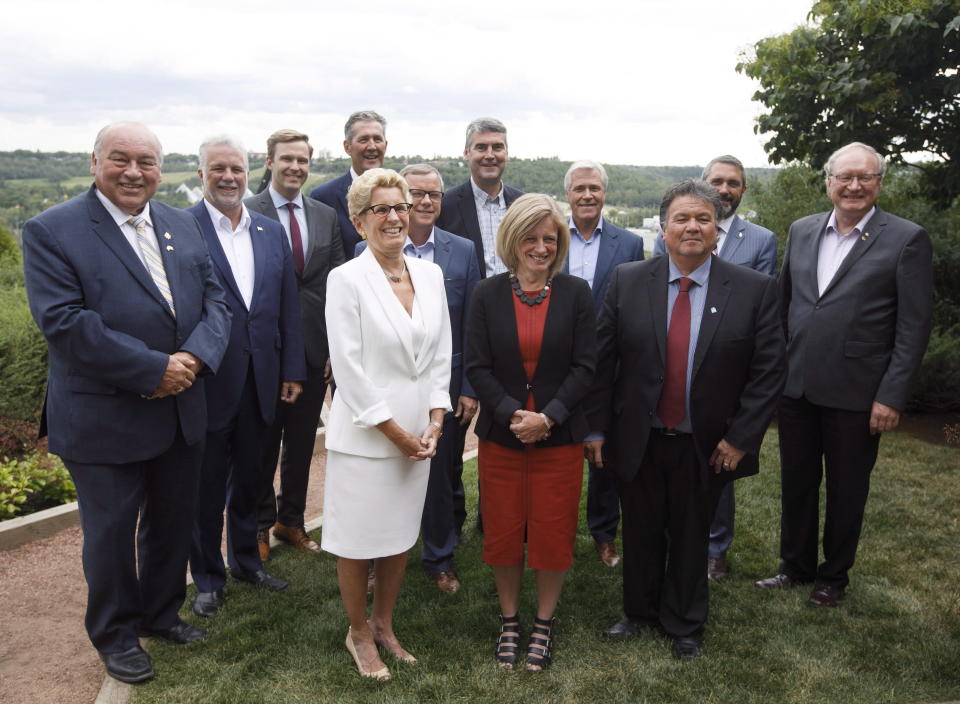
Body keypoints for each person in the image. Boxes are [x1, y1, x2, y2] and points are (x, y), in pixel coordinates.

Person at [21, 122, 230, 684]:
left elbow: (215, 300)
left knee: (170, 522)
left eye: (147, 161)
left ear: (162, 170)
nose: (134, 171)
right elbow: (64, 323)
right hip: (104, 417)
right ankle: (115, 636)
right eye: (120, 159)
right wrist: (152, 369)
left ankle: (161, 614)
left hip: (181, 406)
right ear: (95, 163)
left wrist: (194, 360)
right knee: (111, 535)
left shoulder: (180, 224)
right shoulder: (52, 230)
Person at [587, 180, 785, 660]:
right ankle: (639, 611)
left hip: (709, 440)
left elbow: (768, 372)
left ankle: (685, 622)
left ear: (717, 230)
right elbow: (600, 362)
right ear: (663, 228)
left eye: (703, 219)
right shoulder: (628, 280)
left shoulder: (754, 289)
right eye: (682, 218)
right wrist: (594, 428)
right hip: (639, 434)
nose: (692, 227)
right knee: (641, 528)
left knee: (693, 533)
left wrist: (740, 438)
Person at [756, 142, 933, 606]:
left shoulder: (906, 238)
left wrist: (891, 395)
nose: (854, 186)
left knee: (846, 488)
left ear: (879, 183)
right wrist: (774, 373)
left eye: (865, 177)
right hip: (796, 386)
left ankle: (833, 577)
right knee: (796, 481)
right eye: (845, 177)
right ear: (829, 181)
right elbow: (784, 304)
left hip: (859, 391)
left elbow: (913, 327)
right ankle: (794, 566)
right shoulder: (802, 230)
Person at [322, 168, 452, 681]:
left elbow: (440, 352)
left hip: (418, 436)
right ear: (359, 222)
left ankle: (384, 624)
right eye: (382, 209)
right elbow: (348, 369)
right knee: (358, 542)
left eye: (401, 206)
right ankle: (357, 633)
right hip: (369, 438)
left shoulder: (431, 274)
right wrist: (394, 432)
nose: (395, 216)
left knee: (398, 538)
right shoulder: (345, 279)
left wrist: (436, 417)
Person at [465, 193, 597, 672]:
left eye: (549, 239)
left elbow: (587, 366)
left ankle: (543, 620)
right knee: (503, 529)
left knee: (552, 529)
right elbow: (477, 366)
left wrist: (550, 417)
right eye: (530, 238)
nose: (540, 248)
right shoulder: (486, 293)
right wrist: (512, 415)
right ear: (512, 240)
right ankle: (509, 618)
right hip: (502, 437)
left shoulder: (578, 293)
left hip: (558, 437)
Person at [188, 136, 306, 617]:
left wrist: (292, 368)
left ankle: (247, 564)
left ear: (248, 171)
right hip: (210, 380)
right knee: (206, 487)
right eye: (218, 168)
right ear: (202, 174)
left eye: (236, 168)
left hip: (263, 377)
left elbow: (286, 306)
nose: (228, 177)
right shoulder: (182, 227)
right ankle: (207, 580)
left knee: (253, 480)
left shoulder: (268, 230)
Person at [356, 164, 481, 594]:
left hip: (442, 390)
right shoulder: (364, 251)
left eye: (434, 195)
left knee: (441, 480)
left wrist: (466, 389)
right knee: (384, 478)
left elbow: (471, 323)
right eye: (417, 195)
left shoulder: (462, 250)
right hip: (387, 387)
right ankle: (376, 561)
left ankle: (439, 558)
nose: (426, 202)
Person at [653, 154, 778, 581]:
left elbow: (761, 329)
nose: (725, 189)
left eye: (733, 183)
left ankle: (714, 548)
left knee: (716, 471)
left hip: (725, 372)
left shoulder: (760, 241)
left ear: (742, 190)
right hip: (670, 372)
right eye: (717, 181)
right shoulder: (674, 232)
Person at [245, 129, 345, 560]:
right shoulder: (247, 212)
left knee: (302, 444)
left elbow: (338, 285)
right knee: (262, 443)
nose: (295, 167)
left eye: (302, 160)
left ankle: (292, 521)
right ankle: (258, 526)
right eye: (286, 159)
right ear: (269, 162)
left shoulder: (324, 215)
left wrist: (334, 350)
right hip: (264, 352)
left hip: (313, 351)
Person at [562, 159, 645, 569]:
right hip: (557, 362)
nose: (587, 195)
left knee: (604, 456)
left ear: (604, 193)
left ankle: (603, 534)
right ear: (568, 195)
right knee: (555, 450)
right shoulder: (550, 237)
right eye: (580, 189)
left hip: (610, 364)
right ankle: (551, 530)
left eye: (594, 188)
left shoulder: (629, 243)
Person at [436, 117, 524, 277]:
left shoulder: (523, 205)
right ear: (466, 154)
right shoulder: (445, 206)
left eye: (497, 147)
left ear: (507, 154)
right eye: (481, 148)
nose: (490, 155)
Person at [309, 110, 388, 260]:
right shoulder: (323, 197)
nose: (372, 146)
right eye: (363, 140)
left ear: (386, 145)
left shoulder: (401, 193)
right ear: (347, 147)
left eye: (377, 139)